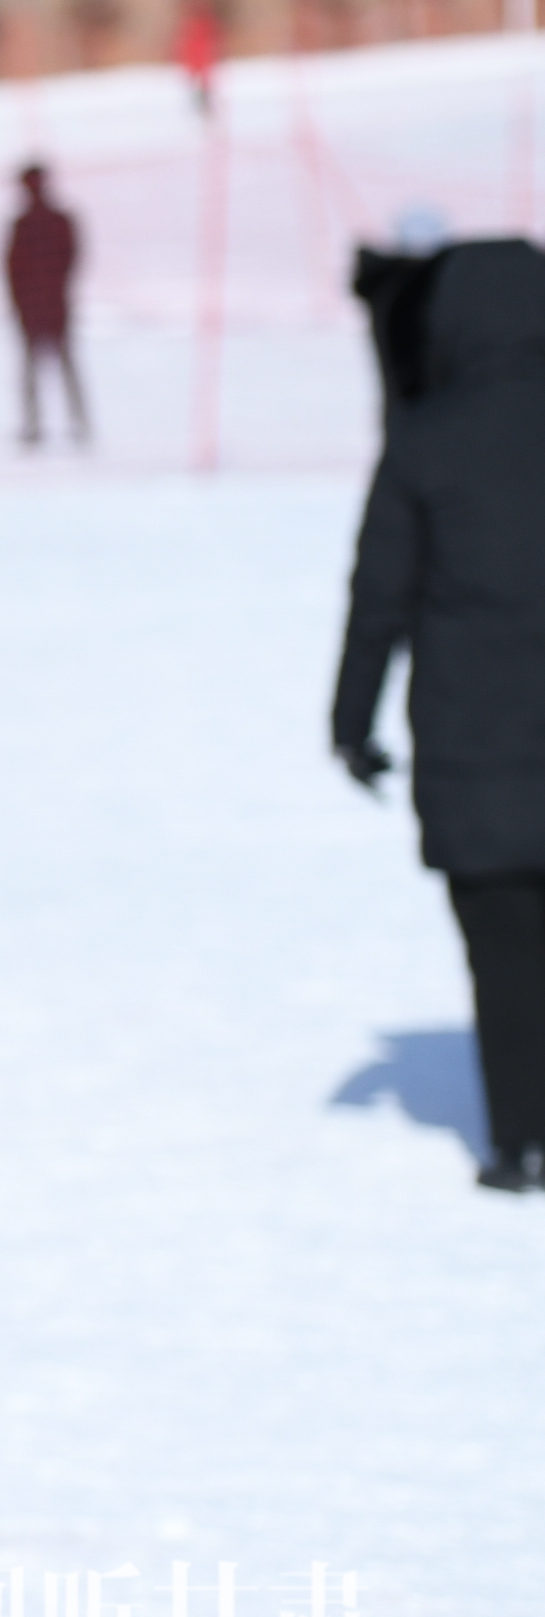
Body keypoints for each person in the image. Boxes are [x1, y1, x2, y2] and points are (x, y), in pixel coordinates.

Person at [332, 236, 545, 1191]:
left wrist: (351, 720)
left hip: (474, 746)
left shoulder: (426, 436)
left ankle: (522, 1140)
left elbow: (378, 594)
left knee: (503, 953)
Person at [7, 163, 87, 447]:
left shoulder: (51, 221)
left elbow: (69, 260)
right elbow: (13, 270)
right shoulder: (27, 224)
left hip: (50, 305)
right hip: (39, 306)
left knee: (63, 367)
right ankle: (38, 425)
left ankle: (76, 424)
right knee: (38, 370)